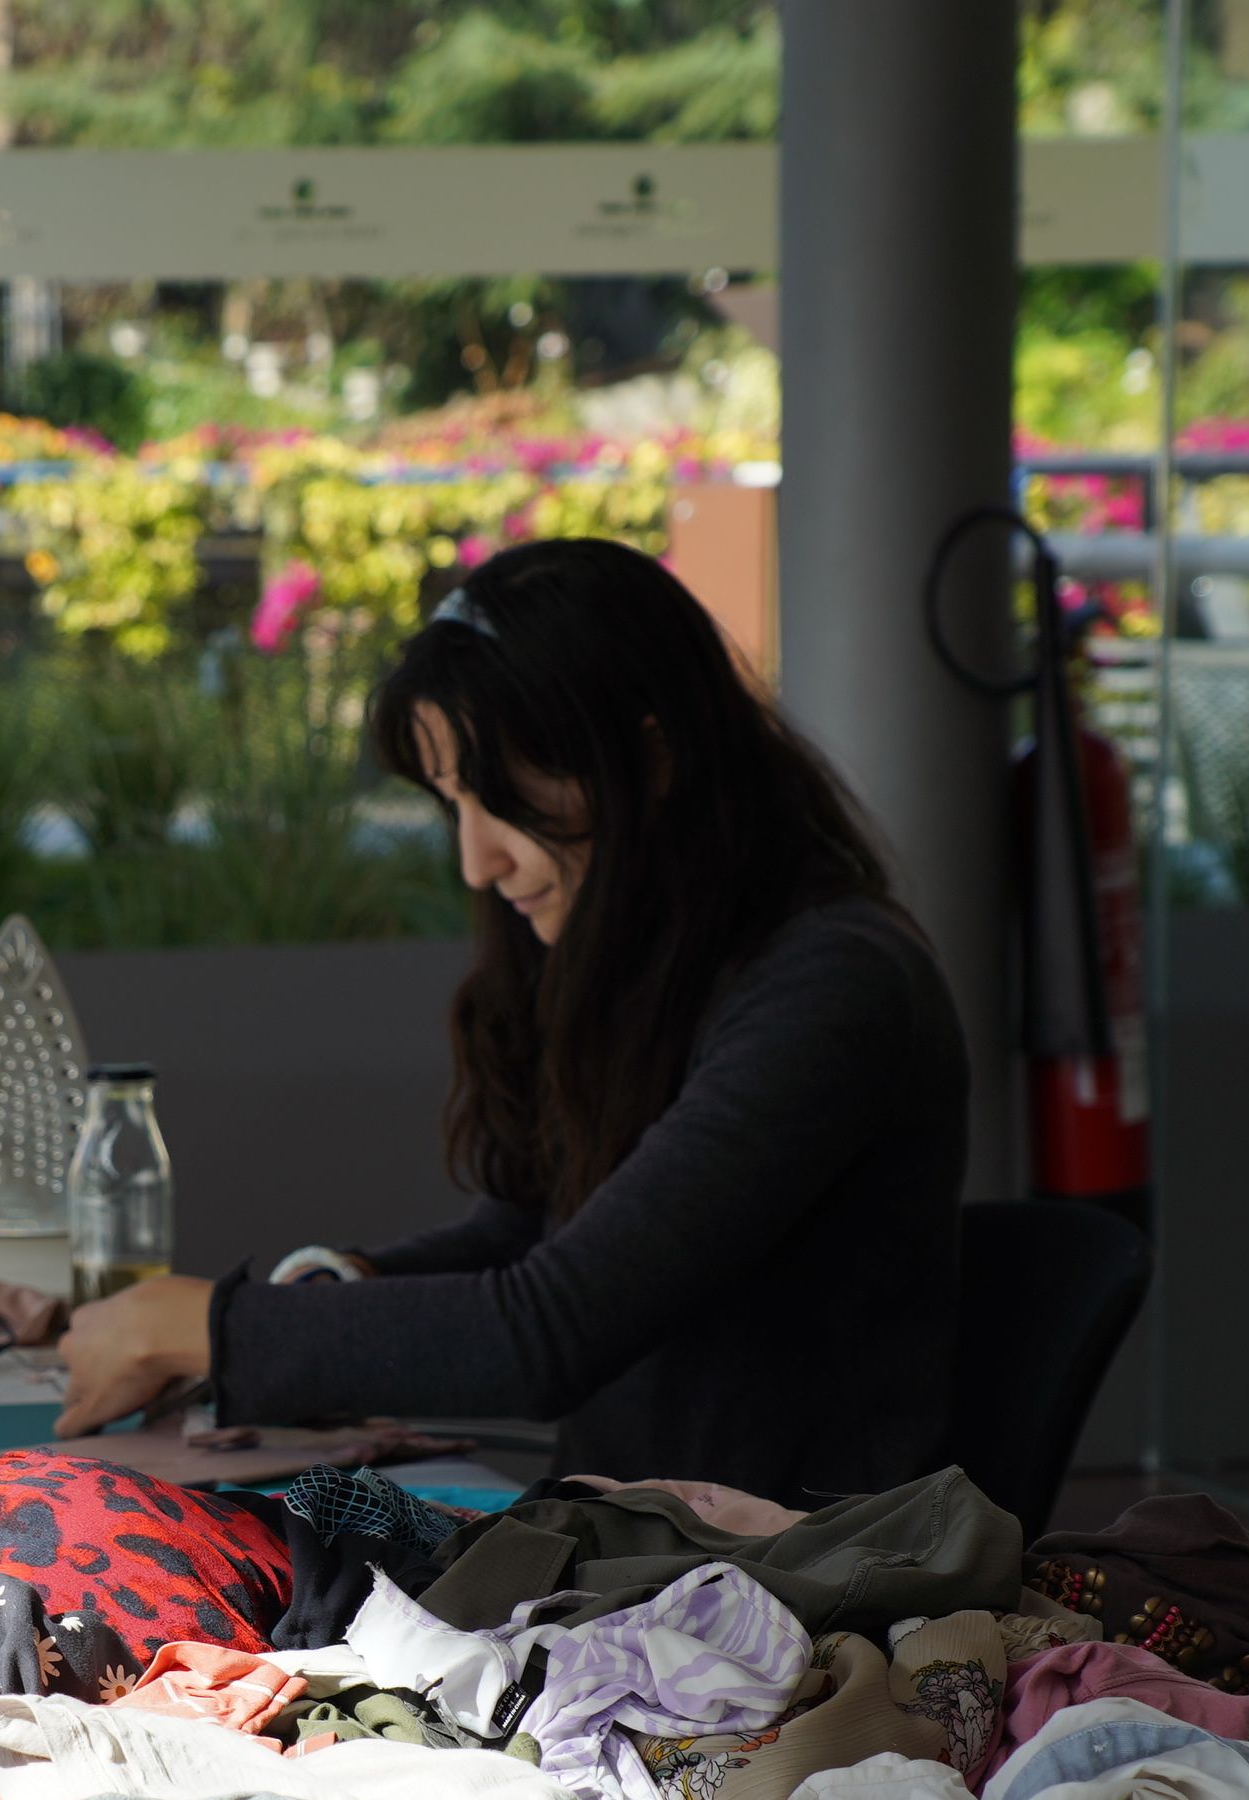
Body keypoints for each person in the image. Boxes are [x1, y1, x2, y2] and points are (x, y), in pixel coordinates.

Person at [52, 535, 970, 1494]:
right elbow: (531, 1233)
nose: (474, 862)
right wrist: (335, 1285)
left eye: (504, 801)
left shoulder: (834, 987)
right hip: (645, 1553)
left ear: (649, 760)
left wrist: (206, 1328)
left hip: (780, 1589)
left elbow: (550, 1327)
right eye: (454, 803)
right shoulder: (671, 960)